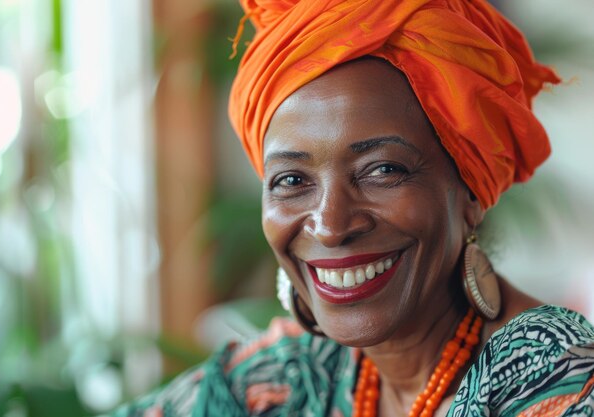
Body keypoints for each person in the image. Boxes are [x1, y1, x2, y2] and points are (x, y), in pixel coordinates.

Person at [114, 1, 594, 416]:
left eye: (382, 170)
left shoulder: (554, 383)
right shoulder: (292, 375)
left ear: (469, 193)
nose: (329, 225)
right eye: (292, 180)